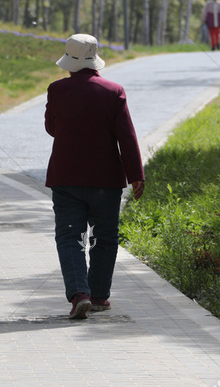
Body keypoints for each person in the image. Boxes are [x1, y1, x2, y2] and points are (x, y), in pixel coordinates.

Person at [44, 34, 145, 319]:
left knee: (69, 237)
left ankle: (80, 294)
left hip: (66, 177)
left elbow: (52, 128)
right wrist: (136, 174)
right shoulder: (114, 91)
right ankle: (99, 296)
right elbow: (126, 136)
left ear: (69, 61)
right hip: (106, 180)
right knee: (105, 238)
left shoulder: (57, 89)